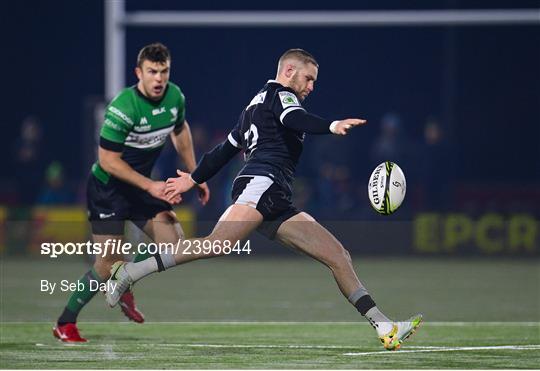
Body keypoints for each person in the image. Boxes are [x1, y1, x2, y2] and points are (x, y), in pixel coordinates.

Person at [105, 49, 421, 351]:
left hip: (276, 196)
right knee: (216, 244)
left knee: (337, 254)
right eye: (308, 79)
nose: (311, 86)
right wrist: (331, 125)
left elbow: (222, 151)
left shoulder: (253, 106)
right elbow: (295, 117)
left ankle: (384, 326)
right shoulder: (281, 96)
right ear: (288, 71)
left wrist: (192, 178)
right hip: (261, 183)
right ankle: (129, 273)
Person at [52, 43, 210, 342]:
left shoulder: (175, 96)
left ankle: (125, 281)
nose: (159, 78)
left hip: (139, 186)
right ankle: (65, 322)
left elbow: (180, 130)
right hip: (107, 189)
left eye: (164, 71)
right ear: (139, 72)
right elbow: (108, 161)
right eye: (152, 71)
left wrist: (195, 174)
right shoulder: (124, 106)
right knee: (106, 265)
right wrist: (151, 185)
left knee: (174, 242)